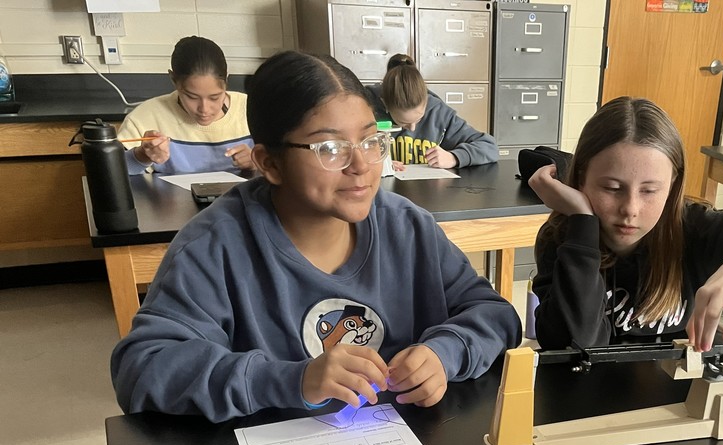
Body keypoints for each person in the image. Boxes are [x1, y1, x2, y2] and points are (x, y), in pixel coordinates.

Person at [110, 51, 521, 422]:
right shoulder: (215, 246)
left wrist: (444, 352)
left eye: (371, 140)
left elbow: (495, 315)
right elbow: (143, 369)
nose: (361, 164)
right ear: (269, 163)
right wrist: (290, 380)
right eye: (329, 148)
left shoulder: (407, 227)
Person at [528, 97, 723, 353]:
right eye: (612, 188)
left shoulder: (694, 226)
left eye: (650, 191)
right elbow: (574, 344)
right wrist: (582, 222)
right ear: (581, 179)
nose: (630, 209)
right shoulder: (563, 239)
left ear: (673, 186)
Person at [116, 36, 254, 176]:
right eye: (192, 97)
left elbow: (275, 166)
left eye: (215, 97)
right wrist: (141, 157)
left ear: (226, 80)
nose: (204, 109)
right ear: (173, 80)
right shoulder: (145, 118)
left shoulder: (253, 109)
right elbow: (110, 171)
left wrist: (258, 161)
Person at [365, 54, 497, 169]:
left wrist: (454, 157)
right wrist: (376, 165)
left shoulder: (438, 112)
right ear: (385, 104)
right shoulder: (366, 109)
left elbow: (489, 147)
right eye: (403, 122)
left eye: (419, 119)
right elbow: (347, 150)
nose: (412, 128)